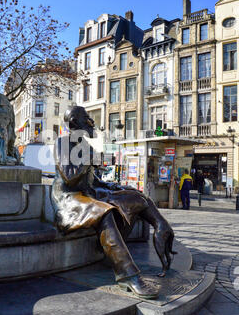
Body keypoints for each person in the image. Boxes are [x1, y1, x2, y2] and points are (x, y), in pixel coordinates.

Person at [51, 106, 175, 300]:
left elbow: (95, 181)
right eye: (86, 118)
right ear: (75, 123)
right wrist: (89, 159)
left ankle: (161, 228)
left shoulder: (86, 146)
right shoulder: (62, 143)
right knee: (105, 212)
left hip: (88, 194)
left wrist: (117, 186)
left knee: (135, 196)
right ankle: (128, 275)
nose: (91, 122)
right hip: (69, 199)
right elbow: (69, 178)